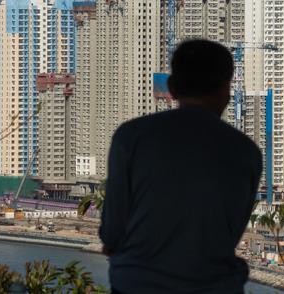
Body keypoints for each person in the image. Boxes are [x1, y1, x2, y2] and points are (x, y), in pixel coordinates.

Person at [99, 39, 263, 294]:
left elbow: (112, 235)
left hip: (138, 285)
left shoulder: (131, 137)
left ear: (172, 88)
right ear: (226, 88)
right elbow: (229, 233)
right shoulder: (246, 152)